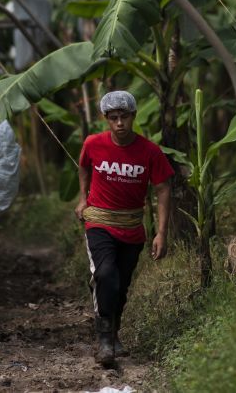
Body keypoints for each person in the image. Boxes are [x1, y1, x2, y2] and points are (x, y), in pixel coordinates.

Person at [75, 90, 173, 367]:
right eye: (114, 118)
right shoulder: (94, 143)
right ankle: (104, 340)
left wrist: (161, 233)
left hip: (131, 227)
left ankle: (114, 332)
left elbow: (163, 189)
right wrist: (83, 198)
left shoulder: (150, 151)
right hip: (99, 223)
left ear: (133, 117)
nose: (119, 123)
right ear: (106, 119)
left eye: (125, 117)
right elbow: (84, 167)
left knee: (121, 284)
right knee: (107, 274)